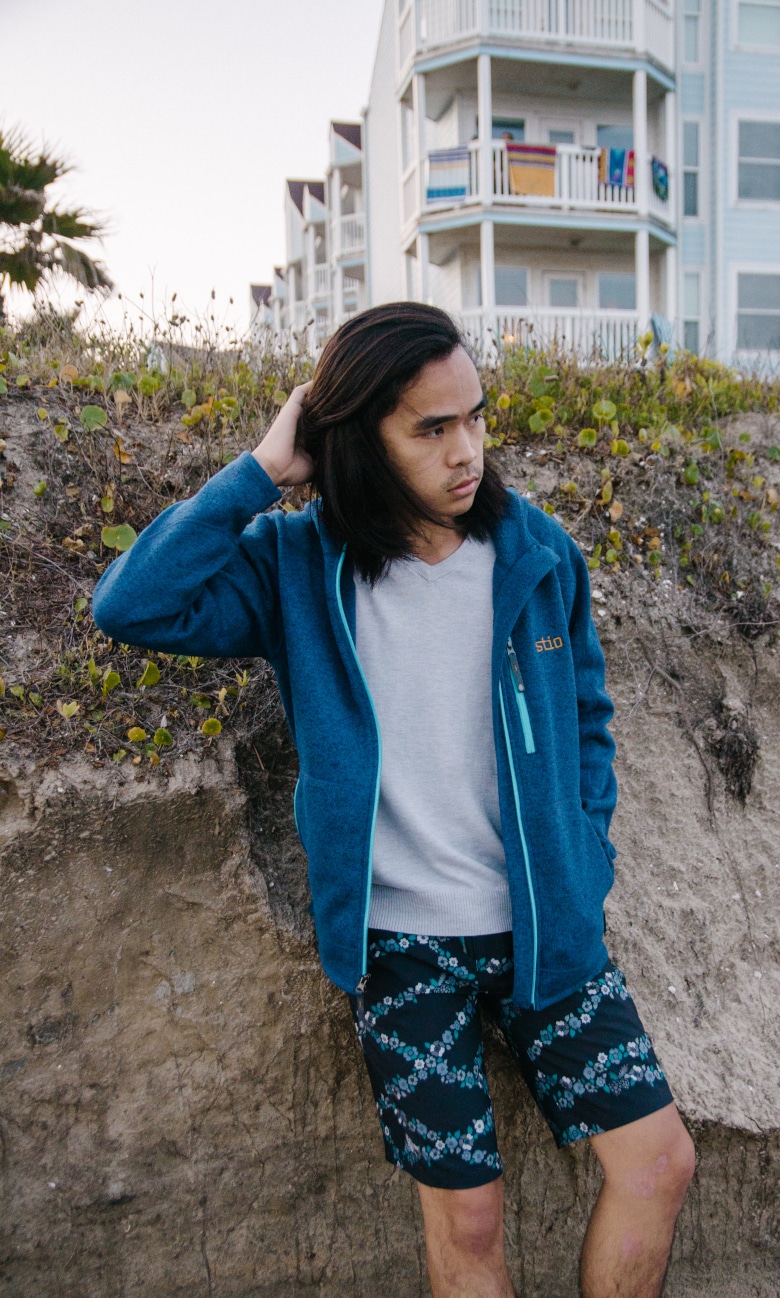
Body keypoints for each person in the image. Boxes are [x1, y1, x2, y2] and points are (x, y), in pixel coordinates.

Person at [92, 303, 695, 1298]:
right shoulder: (296, 566)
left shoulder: (535, 553)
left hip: (545, 927)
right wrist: (261, 472)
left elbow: (587, 711)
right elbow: (134, 603)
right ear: (361, 436)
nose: (467, 450)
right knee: (466, 1217)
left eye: (475, 416)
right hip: (401, 945)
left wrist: (584, 849)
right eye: (430, 427)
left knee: (657, 1160)